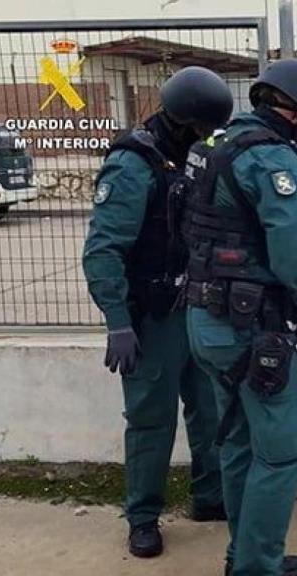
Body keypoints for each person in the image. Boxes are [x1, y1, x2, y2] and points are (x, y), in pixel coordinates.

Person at [182, 59, 297, 576]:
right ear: (293, 113)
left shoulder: (214, 148)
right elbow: (293, 248)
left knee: (240, 442)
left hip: (206, 320)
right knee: (284, 452)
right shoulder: (272, 160)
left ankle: (242, 555)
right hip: (250, 329)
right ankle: (257, 567)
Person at [82, 66, 233, 559]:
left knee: (208, 407)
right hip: (150, 316)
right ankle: (143, 517)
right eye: (203, 129)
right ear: (186, 120)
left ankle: (209, 497)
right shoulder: (133, 165)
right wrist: (118, 322)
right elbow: (103, 250)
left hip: (194, 306)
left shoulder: (185, 157)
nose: (206, 138)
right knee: (151, 419)